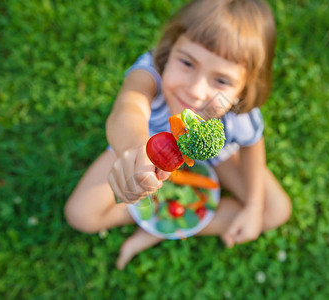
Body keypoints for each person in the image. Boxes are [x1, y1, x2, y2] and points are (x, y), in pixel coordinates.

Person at [64, 0, 292, 270]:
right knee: (80, 214)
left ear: (243, 89)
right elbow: (128, 109)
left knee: (274, 210)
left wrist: (253, 206)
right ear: (169, 49)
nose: (195, 90)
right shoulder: (150, 74)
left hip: (216, 157)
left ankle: (157, 228)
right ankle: (154, 216)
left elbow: (252, 145)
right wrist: (132, 150)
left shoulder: (236, 111)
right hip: (145, 143)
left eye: (221, 80)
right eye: (186, 62)